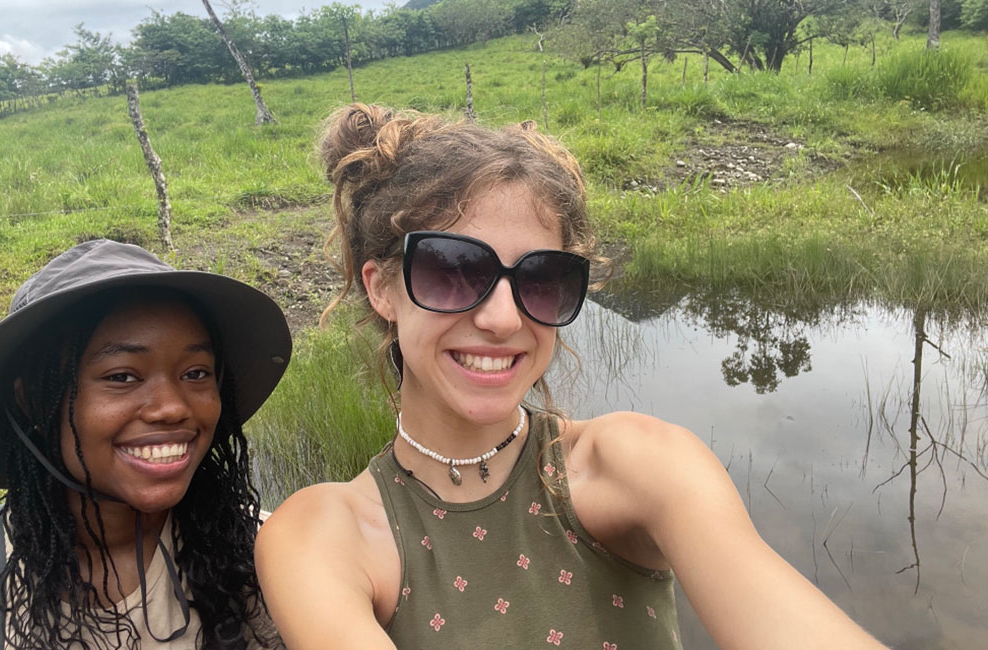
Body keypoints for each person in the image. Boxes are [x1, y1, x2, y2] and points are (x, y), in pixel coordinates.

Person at [255, 103, 888, 650]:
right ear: (382, 288)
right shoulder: (321, 536)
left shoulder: (636, 464)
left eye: (540, 279)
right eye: (454, 269)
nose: (503, 319)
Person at [0, 239, 292, 649]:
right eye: (122, 377)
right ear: (33, 402)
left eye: (197, 373)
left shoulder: (270, 556)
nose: (170, 408)